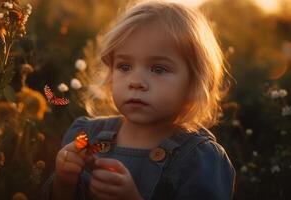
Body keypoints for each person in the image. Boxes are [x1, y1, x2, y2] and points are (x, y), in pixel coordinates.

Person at [41, 0, 236, 199]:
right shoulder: (86, 135)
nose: (135, 82)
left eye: (158, 69)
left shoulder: (198, 159)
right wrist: (63, 183)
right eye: (124, 67)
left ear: (194, 83)